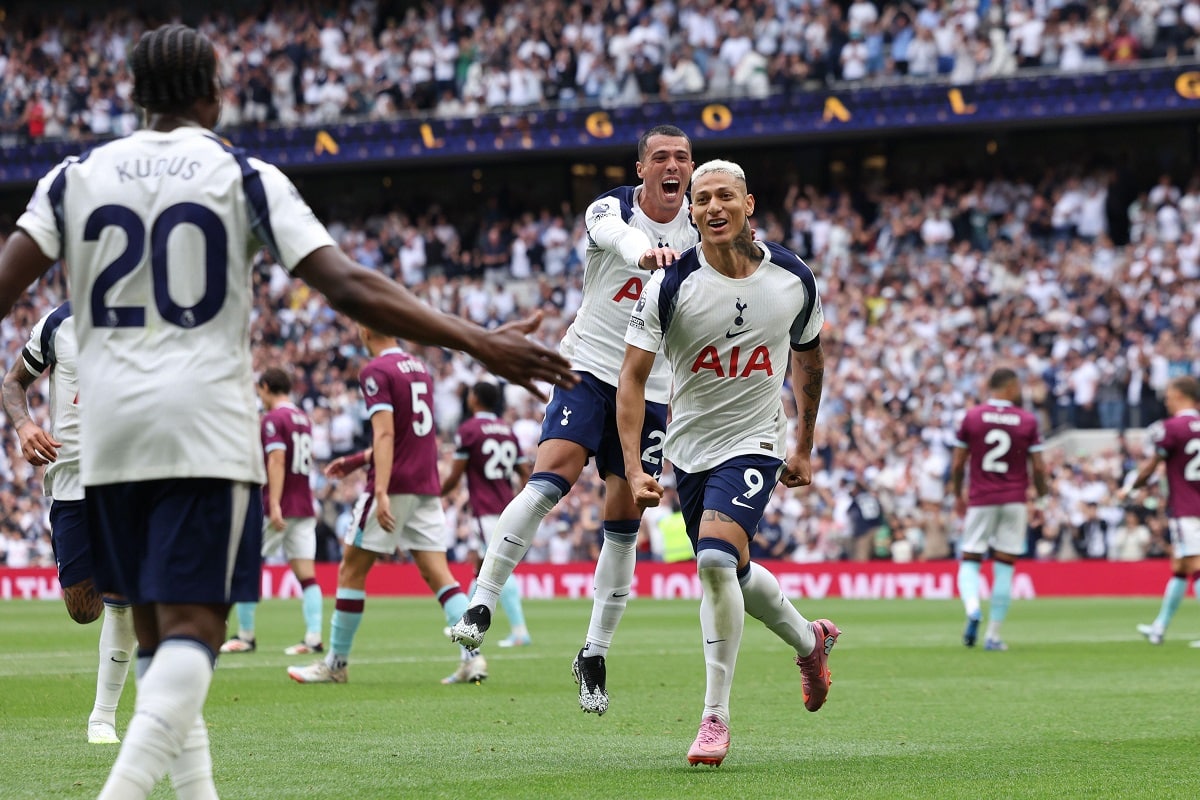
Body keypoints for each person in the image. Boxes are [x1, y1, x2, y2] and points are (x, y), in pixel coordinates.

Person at [0, 23, 573, 800]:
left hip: (105, 440)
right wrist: (476, 340)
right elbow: (349, 285)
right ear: (215, 92)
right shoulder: (243, 176)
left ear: (133, 96)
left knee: (158, 638)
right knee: (192, 636)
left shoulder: (72, 178)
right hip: (202, 430)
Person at [451, 124, 699, 716]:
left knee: (624, 521)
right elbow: (618, 238)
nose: (672, 166)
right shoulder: (609, 209)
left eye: (682, 158)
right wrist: (648, 255)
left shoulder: (702, 227)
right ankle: (482, 601)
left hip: (651, 388)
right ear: (641, 168)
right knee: (549, 479)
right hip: (587, 366)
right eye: (661, 157)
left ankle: (594, 653)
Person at [618, 159, 840, 767]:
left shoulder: (792, 278)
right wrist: (636, 466)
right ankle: (810, 641)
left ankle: (714, 718)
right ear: (690, 213)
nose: (714, 207)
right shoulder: (670, 285)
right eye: (702, 199)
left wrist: (803, 445)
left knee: (714, 561)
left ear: (749, 204)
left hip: (756, 442)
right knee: (731, 572)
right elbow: (631, 377)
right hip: (690, 449)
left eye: (725, 196)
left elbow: (810, 360)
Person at [287, 327, 486, 685]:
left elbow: (386, 434)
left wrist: (379, 489)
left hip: (393, 484)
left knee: (351, 569)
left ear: (366, 328)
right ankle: (473, 658)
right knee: (439, 574)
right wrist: (356, 460)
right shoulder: (420, 368)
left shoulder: (376, 370)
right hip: (425, 484)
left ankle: (335, 664)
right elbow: (411, 436)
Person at [1, 301, 136, 745]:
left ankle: (103, 717)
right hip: (71, 479)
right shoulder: (59, 323)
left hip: (132, 478)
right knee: (83, 609)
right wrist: (24, 426)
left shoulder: (159, 317)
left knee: (121, 599)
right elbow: (13, 382)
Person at [220, 368, 324, 656]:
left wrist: (274, 502)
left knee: (243, 565)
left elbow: (277, 459)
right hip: (304, 504)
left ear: (265, 386)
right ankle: (314, 637)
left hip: (278, 505)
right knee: (307, 574)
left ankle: (245, 635)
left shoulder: (273, 419)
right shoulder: (303, 418)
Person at [949, 367, 1050, 652]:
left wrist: (957, 494)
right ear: (1010, 387)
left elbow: (958, 463)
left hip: (982, 499)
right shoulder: (1027, 420)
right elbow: (1039, 467)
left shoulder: (972, 417)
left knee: (970, 559)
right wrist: (1041, 500)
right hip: (1015, 500)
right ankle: (993, 636)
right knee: (1004, 567)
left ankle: (972, 609)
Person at [441, 381, 533, 649]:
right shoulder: (507, 430)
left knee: (498, 566)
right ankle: (465, 620)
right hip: (507, 507)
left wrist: (435, 493)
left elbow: (455, 475)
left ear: (474, 399)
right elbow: (525, 473)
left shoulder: (469, 430)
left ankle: (520, 631)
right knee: (483, 567)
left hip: (485, 508)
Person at [1126, 376, 1200, 645]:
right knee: (1180, 567)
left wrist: (1133, 486)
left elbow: (1153, 465)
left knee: (1195, 566)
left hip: (1186, 508)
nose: (1166, 402)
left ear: (1180, 396)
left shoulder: (1172, 428)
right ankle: (1159, 627)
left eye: (1168, 397)